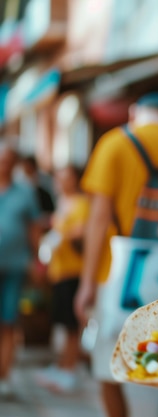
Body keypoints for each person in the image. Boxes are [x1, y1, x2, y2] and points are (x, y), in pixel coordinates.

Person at [73, 92, 158, 417]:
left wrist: (87, 282)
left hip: (119, 279)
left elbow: (98, 219)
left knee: (109, 367)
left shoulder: (114, 144)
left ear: (134, 114)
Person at [35, 165, 88, 393]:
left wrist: (66, 235)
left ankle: (69, 370)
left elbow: (82, 237)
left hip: (74, 272)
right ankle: (62, 366)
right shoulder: (62, 203)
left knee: (71, 326)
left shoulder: (82, 205)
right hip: (59, 271)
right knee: (64, 325)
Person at [0, 141, 42, 398]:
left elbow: (34, 229)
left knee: (8, 321)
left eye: (7, 160)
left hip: (14, 267)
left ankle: (3, 375)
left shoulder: (25, 192)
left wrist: (37, 261)